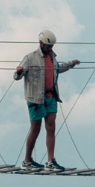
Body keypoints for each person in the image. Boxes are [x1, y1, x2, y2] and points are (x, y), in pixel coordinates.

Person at [14, 30, 80, 170]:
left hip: (51, 97)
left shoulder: (52, 57)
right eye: (49, 46)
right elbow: (17, 76)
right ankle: (27, 161)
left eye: (52, 46)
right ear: (41, 43)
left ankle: (51, 161)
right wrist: (19, 71)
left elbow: (57, 69)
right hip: (35, 99)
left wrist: (71, 63)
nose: (51, 48)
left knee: (51, 128)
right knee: (35, 128)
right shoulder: (30, 58)